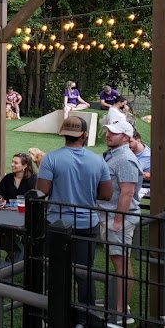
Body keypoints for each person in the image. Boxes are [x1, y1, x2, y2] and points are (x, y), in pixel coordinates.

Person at [36, 115, 112, 305]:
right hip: (88, 223)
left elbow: (41, 191)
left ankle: (55, 312)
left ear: (64, 134)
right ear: (84, 135)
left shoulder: (51, 158)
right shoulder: (98, 160)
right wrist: (86, 191)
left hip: (56, 222)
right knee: (84, 273)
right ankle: (87, 315)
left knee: (55, 270)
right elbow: (107, 194)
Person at [101, 120, 144, 322]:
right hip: (111, 217)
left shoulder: (125, 159)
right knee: (117, 261)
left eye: (114, 133)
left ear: (126, 137)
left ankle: (121, 311)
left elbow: (127, 192)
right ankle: (117, 305)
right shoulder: (114, 155)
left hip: (118, 219)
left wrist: (118, 221)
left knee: (121, 263)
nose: (108, 135)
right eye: (108, 132)